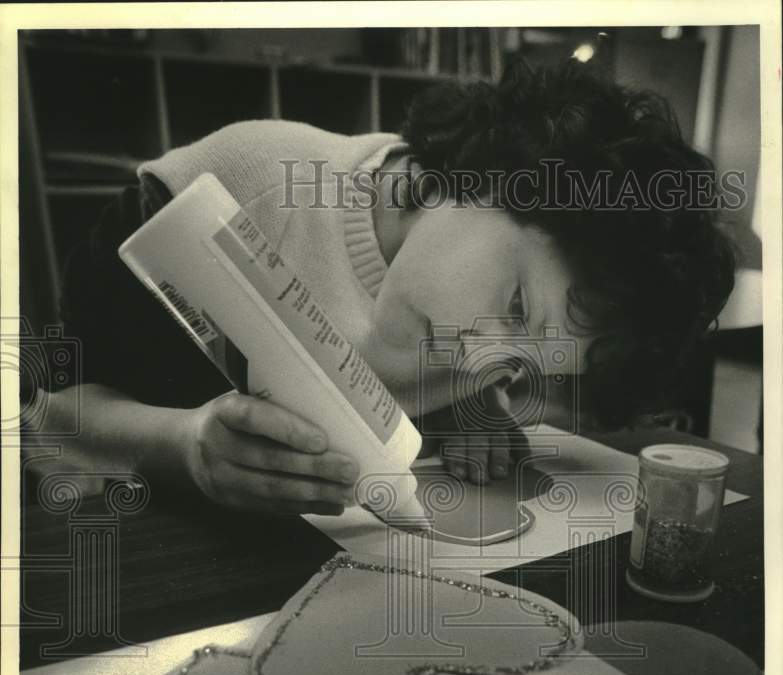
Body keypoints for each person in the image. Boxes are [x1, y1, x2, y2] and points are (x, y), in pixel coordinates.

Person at [35, 57, 735, 515]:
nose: (474, 357)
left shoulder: (480, 319)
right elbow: (52, 415)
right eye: (516, 304)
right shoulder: (242, 184)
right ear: (486, 170)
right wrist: (187, 445)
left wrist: (469, 411)